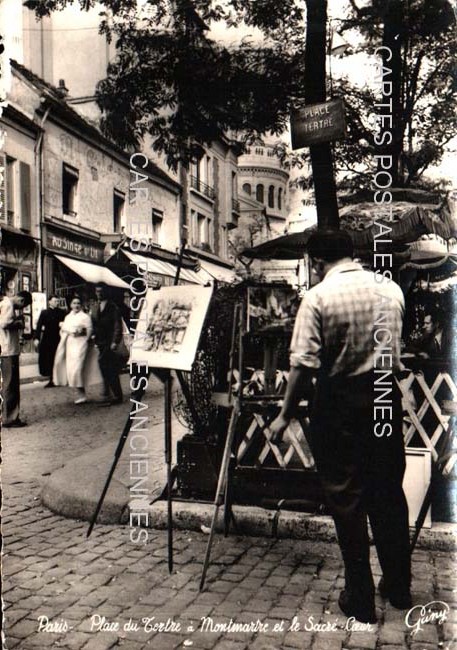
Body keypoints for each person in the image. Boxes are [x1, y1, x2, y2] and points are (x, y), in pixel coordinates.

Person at [270, 230, 411, 624]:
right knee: (387, 492)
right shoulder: (391, 289)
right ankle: (399, 586)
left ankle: (360, 596)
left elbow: (303, 365)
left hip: (339, 405)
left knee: (346, 498)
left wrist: (284, 415)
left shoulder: (317, 298)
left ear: (316, 262)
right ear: (353, 253)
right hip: (384, 399)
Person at [0, 290, 32, 427]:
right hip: (8, 349)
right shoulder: (8, 305)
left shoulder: (3, 303)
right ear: (21, 300)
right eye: (22, 306)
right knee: (10, 384)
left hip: (5, 348)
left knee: (6, 383)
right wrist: (18, 323)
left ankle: (5, 415)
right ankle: (10, 418)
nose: (21, 309)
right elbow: (4, 324)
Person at [53, 295, 93, 404]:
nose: (76, 305)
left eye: (78, 303)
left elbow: (89, 330)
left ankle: (81, 394)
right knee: (71, 369)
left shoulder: (85, 317)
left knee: (77, 369)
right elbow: (62, 331)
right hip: (70, 344)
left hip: (81, 343)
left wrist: (80, 332)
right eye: (74, 303)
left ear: (81, 305)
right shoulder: (68, 317)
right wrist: (66, 331)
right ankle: (80, 393)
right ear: (70, 305)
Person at [91, 283, 123, 405]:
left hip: (110, 342)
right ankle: (111, 394)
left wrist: (115, 341)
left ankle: (115, 395)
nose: (99, 293)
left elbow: (117, 326)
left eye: (101, 291)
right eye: (97, 291)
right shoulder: (95, 306)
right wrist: (94, 336)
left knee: (110, 368)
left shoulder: (112, 307)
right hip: (100, 342)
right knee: (106, 368)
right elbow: (94, 323)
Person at [34, 295, 65, 387]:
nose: (57, 303)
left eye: (57, 301)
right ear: (49, 302)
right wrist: (37, 338)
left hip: (59, 338)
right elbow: (39, 326)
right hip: (47, 339)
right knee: (49, 359)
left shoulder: (62, 312)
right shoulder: (44, 313)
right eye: (55, 301)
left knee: (58, 358)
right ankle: (52, 379)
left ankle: (60, 378)